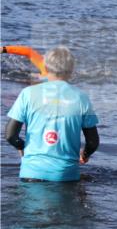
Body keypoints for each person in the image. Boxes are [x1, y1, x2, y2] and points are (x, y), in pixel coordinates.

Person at [5, 46, 100, 182]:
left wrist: (22, 147)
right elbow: (93, 142)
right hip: (65, 175)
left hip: (31, 173)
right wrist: (85, 155)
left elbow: (10, 135)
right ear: (72, 70)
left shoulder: (27, 93)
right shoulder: (81, 97)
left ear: (45, 66)